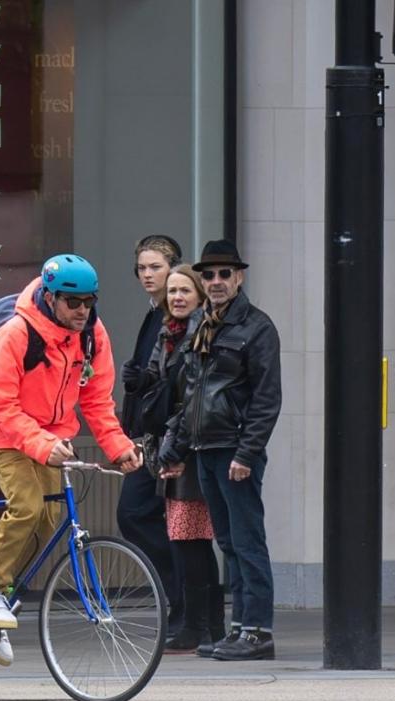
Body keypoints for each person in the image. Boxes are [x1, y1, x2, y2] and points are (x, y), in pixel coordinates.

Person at [0, 255, 142, 667]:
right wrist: (42, 444)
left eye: (89, 301)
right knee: (26, 506)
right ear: (50, 296)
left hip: (50, 434)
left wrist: (119, 447)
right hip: (0, 429)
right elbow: (3, 405)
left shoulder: (93, 336)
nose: (82, 310)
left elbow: (97, 400)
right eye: (72, 301)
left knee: (47, 522)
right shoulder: (16, 333)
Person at [159, 239, 282, 661]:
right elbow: (189, 394)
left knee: (247, 542)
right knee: (228, 543)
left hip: (234, 449)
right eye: (208, 274)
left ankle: (257, 631)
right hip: (204, 448)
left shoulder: (257, 328)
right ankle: (239, 629)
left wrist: (247, 455)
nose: (215, 281)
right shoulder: (200, 325)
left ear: (239, 277)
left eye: (223, 274)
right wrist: (173, 449)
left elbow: (267, 400)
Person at [138, 266, 225, 653]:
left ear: (199, 296)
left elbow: (191, 398)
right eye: (172, 291)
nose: (176, 297)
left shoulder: (198, 334)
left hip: (188, 448)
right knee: (186, 537)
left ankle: (202, 625)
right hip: (172, 445)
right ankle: (203, 624)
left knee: (193, 539)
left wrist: (175, 450)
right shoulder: (167, 334)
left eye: (184, 290)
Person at [117, 235, 183, 633]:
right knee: (141, 516)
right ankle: (177, 599)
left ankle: (181, 600)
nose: (147, 275)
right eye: (142, 268)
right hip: (148, 434)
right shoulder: (154, 314)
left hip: (165, 436)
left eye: (155, 267)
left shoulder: (175, 316)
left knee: (141, 514)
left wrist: (144, 381)